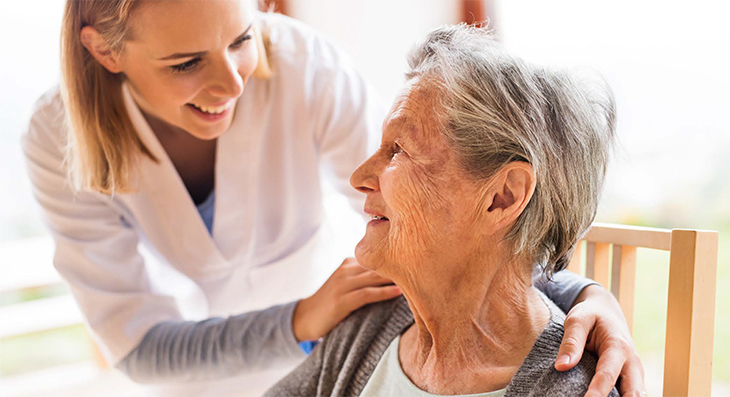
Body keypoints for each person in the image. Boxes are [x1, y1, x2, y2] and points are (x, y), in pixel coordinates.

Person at [21, 0, 642, 395]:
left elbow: (449, 218)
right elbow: (138, 343)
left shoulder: (299, 65)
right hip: (229, 372)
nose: (232, 81)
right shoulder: (56, 139)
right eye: (185, 63)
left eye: (241, 39)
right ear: (104, 50)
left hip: (355, 320)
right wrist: (299, 323)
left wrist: (584, 294)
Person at [266, 25, 623, 396]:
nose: (359, 178)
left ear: (502, 197)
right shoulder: (367, 328)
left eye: (398, 150)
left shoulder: (572, 389)